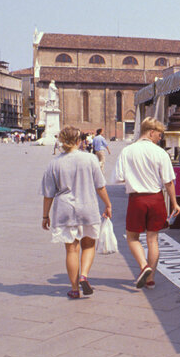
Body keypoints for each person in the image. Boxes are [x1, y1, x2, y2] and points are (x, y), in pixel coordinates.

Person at [41, 125, 113, 299]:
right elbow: (100, 186)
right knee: (88, 245)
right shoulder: (90, 159)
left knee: (71, 250)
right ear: (80, 141)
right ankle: (84, 275)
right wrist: (108, 204)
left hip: (64, 208)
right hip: (87, 206)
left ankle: (74, 289)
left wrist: (45, 215)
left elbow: (48, 193)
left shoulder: (54, 163)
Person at [114, 117, 180, 289]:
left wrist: (134, 178)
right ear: (151, 132)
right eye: (159, 134)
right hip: (156, 199)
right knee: (153, 239)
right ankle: (150, 278)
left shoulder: (128, 151)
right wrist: (174, 203)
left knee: (132, 237)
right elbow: (168, 182)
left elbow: (119, 178)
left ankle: (143, 265)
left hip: (137, 199)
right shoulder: (160, 153)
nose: (160, 138)